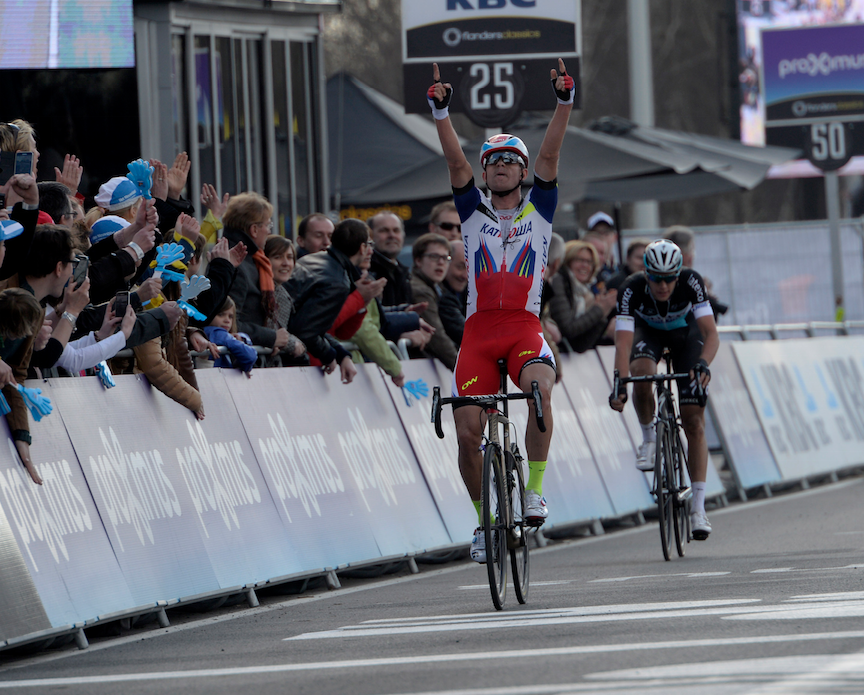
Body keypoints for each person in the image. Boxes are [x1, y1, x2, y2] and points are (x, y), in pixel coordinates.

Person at [428, 58, 574, 562]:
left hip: (523, 329)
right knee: (468, 434)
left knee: (538, 388)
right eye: (494, 162)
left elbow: (552, 153)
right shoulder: (472, 211)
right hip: (478, 334)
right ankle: (485, 523)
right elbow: (454, 166)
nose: (502, 166)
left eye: (512, 160)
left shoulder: (541, 209)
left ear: (523, 169)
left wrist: (563, 102)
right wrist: (442, 115)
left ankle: (533, 489)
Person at [608, 239, 719, 540]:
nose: (664, 285)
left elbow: (710, 333)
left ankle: (698, 507)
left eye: (670, 278)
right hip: (650, 335)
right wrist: (619, 381)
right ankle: (648, 438)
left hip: (687, 336)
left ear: (678, 273)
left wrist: (704, 364)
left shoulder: (690, 281)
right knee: (642, 373)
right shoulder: (631, 288)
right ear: (646, 274)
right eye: (657, 278)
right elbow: (623, 343)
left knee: (693, 420)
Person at [287, 218, 381, 384]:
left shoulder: (312, 259)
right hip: (290, 360)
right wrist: (329, 355)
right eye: (369, 244)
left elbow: (310, 325)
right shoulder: (337, 283)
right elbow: (306, 330)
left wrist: (339, 353)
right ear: (362, 248)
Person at [222, 192, 293, 356]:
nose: (269, 232)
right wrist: (270, 337)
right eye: (268, 225)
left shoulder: (251, 260)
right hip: (240, 362)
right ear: (254, 229)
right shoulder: (238, 264)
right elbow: (229, 322)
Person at [548, 240, 617, 353]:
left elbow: (579, 346)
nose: (585, 265)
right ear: (567, 260)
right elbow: (568, 329)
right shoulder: (558, 280)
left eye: (590, 262)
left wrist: (603, 315)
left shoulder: (585, 294)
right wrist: (599, 310)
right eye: (580, 260)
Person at [410, 232, 459, 370]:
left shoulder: (437, 288)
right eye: (434, 257)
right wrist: (463, 369)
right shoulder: (421, 290)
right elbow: (437, 337)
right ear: (418, 260)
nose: (441, 262)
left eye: (445, 258)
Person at [263, 234, 306, 365]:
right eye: (277, 257)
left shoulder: (279, 290)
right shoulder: (272, 292)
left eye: (290, 257)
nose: (286, 263)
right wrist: (293, 343)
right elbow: (275, 333)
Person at [368, 211, 413, 307]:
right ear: (370, 236)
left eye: (396, 230)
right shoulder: (366, 272)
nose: (392, 235)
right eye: (384, 230)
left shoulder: (404, 273)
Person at [204, 296, 257, 375]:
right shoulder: (216, 333)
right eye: (221, 314)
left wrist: (242, 338)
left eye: (230, 316)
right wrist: (246, 368)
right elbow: (249, 356)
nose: (227, 320)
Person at [438, 238, 467, 345]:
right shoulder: (441, 296)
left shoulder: (470, 293)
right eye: (460, 267)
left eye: (469, 269)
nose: (465, 276)